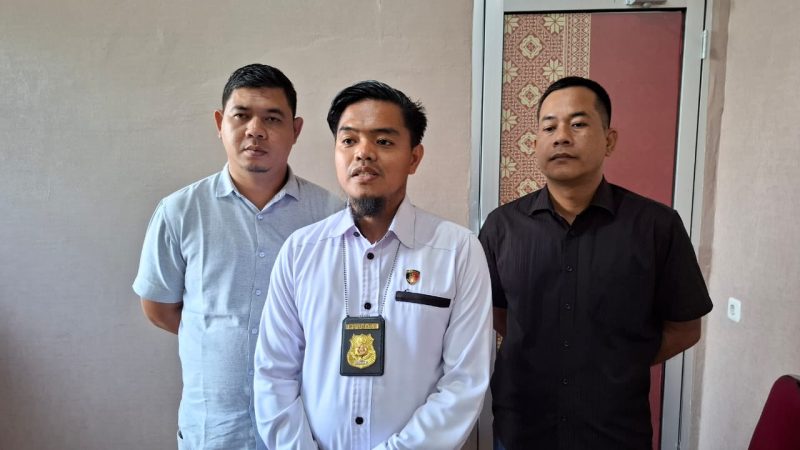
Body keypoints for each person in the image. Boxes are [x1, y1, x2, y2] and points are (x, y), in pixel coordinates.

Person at [253, 81, 493, 449]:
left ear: (414, 157)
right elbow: (274, 373)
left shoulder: (457, 251)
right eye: (349, 140)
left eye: (383, 141)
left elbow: (464, 382)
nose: (363, 153)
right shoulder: (300, 251)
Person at [479, 76, 713, 449]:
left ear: (609, 140)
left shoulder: (656, 225)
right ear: (536, 143)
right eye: (549, 127)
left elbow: (685, 329)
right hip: (522, 426)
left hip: (615, 430)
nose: (561, 137)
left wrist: (621, 362)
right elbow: (496, 313)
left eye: (578, 124)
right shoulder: (501, 226)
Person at [132, 64, 342, 450]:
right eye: (241, 115)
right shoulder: (180, 212)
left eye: (272, 118)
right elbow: (158, 308)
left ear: (295, 130)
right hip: (213, 429)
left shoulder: (330, 215)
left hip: (301, 428)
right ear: (220, 123)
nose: (255, 130)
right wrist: (223, 335)